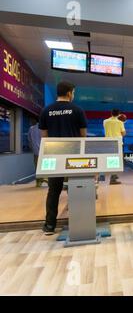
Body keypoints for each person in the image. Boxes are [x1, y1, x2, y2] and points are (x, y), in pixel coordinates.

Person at [39, 81, 88, 235]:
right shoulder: (77, 110)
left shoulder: (47, 110)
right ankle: (77, 222)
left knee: (53, 191)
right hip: (74, 154)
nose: (73, 95)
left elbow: (44, 136)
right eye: (73, 92)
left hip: (54, 154)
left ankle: (49, 226)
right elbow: (83, 135)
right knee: (77, 187)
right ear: (69, 93)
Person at [103, 109, 126, 185]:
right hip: (117, 143)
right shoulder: (120, 122)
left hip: (108, 143)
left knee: (111, 160)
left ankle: (114, 175)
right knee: (117, 161)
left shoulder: (105, 121)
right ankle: (113, 179)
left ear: (111, 113)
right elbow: (123, 133)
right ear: (119, 114)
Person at [28, 120, 46, 187]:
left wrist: (33, 148)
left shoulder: (31, 128)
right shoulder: (44, 128)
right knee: (47, 167)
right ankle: (48, 181)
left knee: (37, 167)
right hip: (45, 152)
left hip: (36, 152)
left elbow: (29, 140)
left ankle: (38, 182)